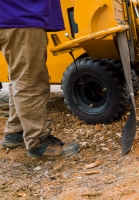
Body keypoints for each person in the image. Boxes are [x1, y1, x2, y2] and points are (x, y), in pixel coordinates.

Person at [0, 1, 80, 158]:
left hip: (15, 15)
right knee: (31, 81)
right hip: (21, 14)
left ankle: (16, 131)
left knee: (22, 76)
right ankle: (38, 141)